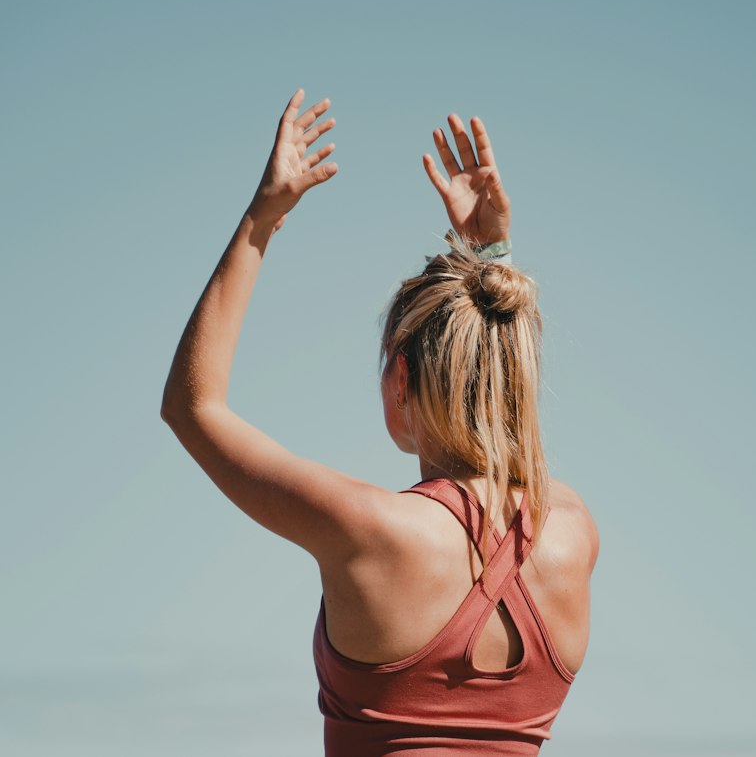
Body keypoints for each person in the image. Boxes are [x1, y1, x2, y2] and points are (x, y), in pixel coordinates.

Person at [161, 90, 599, 756]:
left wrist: (263, 218)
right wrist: (492, 259)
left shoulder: (369, 532)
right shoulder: (571, 533)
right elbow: (512, 425)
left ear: (400, 380)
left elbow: (194, 407)